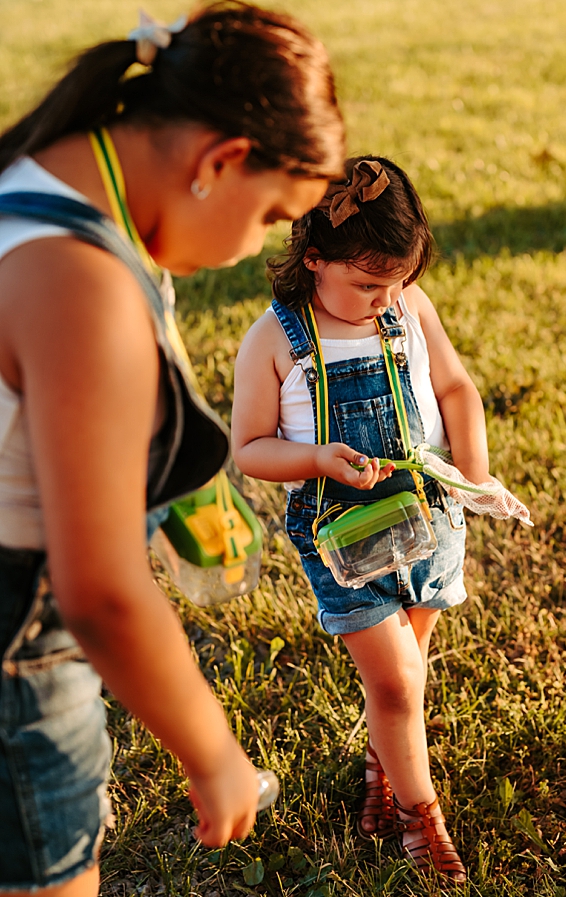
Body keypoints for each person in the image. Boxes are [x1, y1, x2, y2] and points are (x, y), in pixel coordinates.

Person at [0, 4, 344, 894]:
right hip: (18, 670)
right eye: (273, 214)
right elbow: (102, 589)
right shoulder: (83, 285)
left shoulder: (29, 174)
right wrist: (213, 749)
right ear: (220, 161)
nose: (258, 245)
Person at [231, 155, 528, 880]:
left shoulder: (407, 306)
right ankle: (419, 816)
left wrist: (475, 475)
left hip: (428, 514)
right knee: (396, 684)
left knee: (408, 670)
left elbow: (457, 388)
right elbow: (249, 448)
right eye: (368, 283)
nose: (386, 297)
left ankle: (381, 765)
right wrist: (318, 460)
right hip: (342, 533)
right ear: (314, 260)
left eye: (398, 279)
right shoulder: (275, 340)